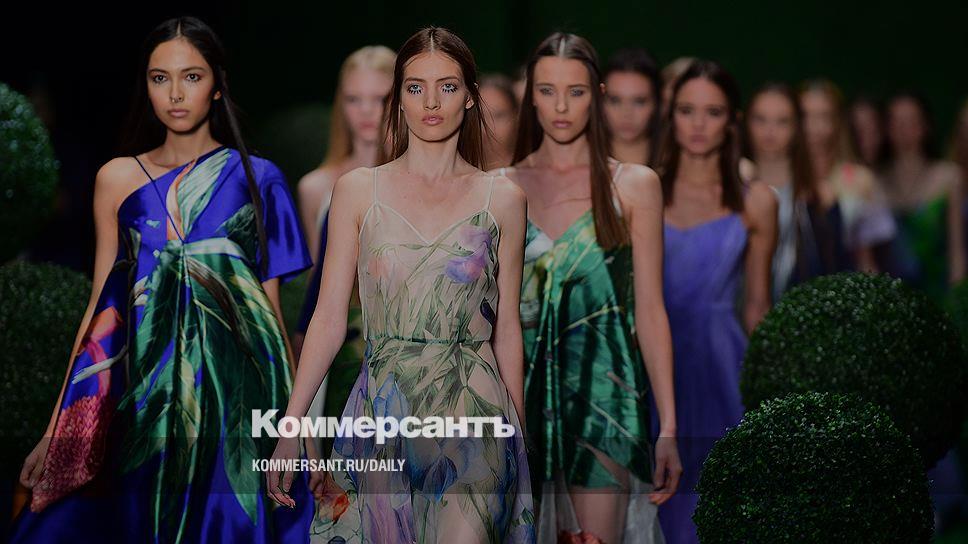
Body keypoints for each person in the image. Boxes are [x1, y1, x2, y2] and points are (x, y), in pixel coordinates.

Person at [13, 16, 313, 543]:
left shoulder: (257, 177)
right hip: (143, 396)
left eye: (191, 76)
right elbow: (101, 308)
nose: (175, 93)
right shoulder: (116, 178)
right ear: (146, 86)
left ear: (217, 85)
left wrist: (297, 432)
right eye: (160, 78)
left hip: (234, 401)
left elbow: (268, 322)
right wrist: (59, 428)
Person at [266, 27, 535, 543]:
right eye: (416, 87)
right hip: (383, 409)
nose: (431, 102)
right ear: (399, 99)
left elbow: (506, 329)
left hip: (474, 409)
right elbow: (328, 318)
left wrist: (516, 436)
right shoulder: (357, 191)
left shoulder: (503, 198)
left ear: (471, 97)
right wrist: (292, 426)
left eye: (447, 86)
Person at [499, 32, 680, 544]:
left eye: (575, 92)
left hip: (605, 396)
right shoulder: (499, 187)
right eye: (547, 90)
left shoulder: (634, 185)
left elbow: (650, 310)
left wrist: (668, 425)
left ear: (596, 96)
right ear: (530, 96)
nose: (560, 107)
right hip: (517, 398)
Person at [655, 59, 778, 544]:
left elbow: (758, 304)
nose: (698, 124)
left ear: (732, 121)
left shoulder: (757, 201)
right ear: (671, 115)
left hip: (724, 361)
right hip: (657, 361)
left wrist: (771, 395)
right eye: (687, 110)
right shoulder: (643, 190)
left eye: (713, 112)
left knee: (720, 503)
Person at [291, 45, 395, 466]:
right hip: (340, 358)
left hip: (405, 354)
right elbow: (319, 291)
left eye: (380, 98)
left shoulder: (419, 181)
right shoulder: (315, 187)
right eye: (354, 99)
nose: (367, 111)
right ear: (340, 105)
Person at [745, 83, 851, 301]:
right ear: (746, 123)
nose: (770, 131)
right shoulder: (733, 188)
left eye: (782, 121)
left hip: (802, 313)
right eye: (760, 119)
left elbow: (834, 274)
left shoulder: (820, 197)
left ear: (797, 127)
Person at [800, 79, 897, 272]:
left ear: (837, 121)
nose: (813, 126)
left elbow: (866, 258)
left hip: (844, 280)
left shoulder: (861, 179)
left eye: (824, 116)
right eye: (805, 116)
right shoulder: (782, 177)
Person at [881, 91, 965, 302]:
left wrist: (957, 299)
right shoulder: (874, 180)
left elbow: (957, 250)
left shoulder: (948, 177)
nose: (903, 129)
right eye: (896, 121)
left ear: (925, 126)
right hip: (889, 299)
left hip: (938, 293)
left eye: (911, 121)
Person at [604, 47, 663, 166]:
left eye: (639, 102)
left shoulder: (677, 166)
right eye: (615, 101)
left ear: (656, 104)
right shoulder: (581, 165)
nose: (626, 114)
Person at [479, 73, 518, 170]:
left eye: (498, 116)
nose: (487, 126)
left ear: (515, 117)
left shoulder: (532, 173)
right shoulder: (454, 171)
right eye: (480, 117)